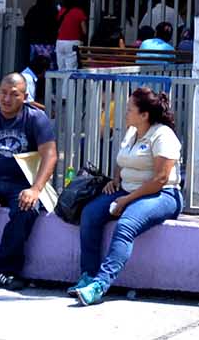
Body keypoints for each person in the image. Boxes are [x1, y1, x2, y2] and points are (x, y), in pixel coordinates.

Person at [72, 87, 183, 306]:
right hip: (127, 190)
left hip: (162, 195)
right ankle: (87, 276)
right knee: (90, 214)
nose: (125, 112)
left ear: (144, 115)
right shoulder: (132, 132)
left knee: (126, 225)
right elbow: (122, 160)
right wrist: (115, 180)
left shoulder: (163, 135)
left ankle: (99, 285)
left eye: (130, 109)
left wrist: (126, 200)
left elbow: (160, 179)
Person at [0, 69, 56, 290]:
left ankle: (5, 270)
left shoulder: (35, 119)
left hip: (22, 184)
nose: (6, 99)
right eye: (3, 93)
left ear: (25, 96)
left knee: (26, 210)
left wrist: (35, 189)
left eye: (14, 94)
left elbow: (50, 155)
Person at [23, 0, 57, 78]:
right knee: (48, 67)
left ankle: (34, 82)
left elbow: (27, 25)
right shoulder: (54, 11)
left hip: (35, 42)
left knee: (34, 67)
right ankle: (48, 84)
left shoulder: (33, 10)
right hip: (49, 43)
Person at [55, 0, 88, 72]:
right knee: (70, 69)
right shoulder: (79, 12)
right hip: (73, 42)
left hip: (60, 42)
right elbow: (84, 31)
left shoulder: (62, 11)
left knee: (61, 68)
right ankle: (67, 81)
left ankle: (61, 81)